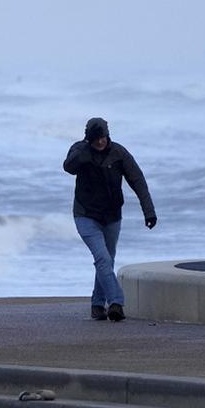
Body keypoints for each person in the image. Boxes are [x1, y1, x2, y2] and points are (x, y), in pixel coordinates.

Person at [63, 117, 156, 322]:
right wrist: (84, 153)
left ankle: (97, 305)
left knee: (107, 260)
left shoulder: (118, 153)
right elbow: (68, 166)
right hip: (85, 215)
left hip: (112, 217)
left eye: (103, 137)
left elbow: (138, 181)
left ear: (108, 135)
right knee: (103, 258)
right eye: (96, 138)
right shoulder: (80, 150)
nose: (100, 142)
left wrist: (149, 211)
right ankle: (116, 303)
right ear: (89, 138)